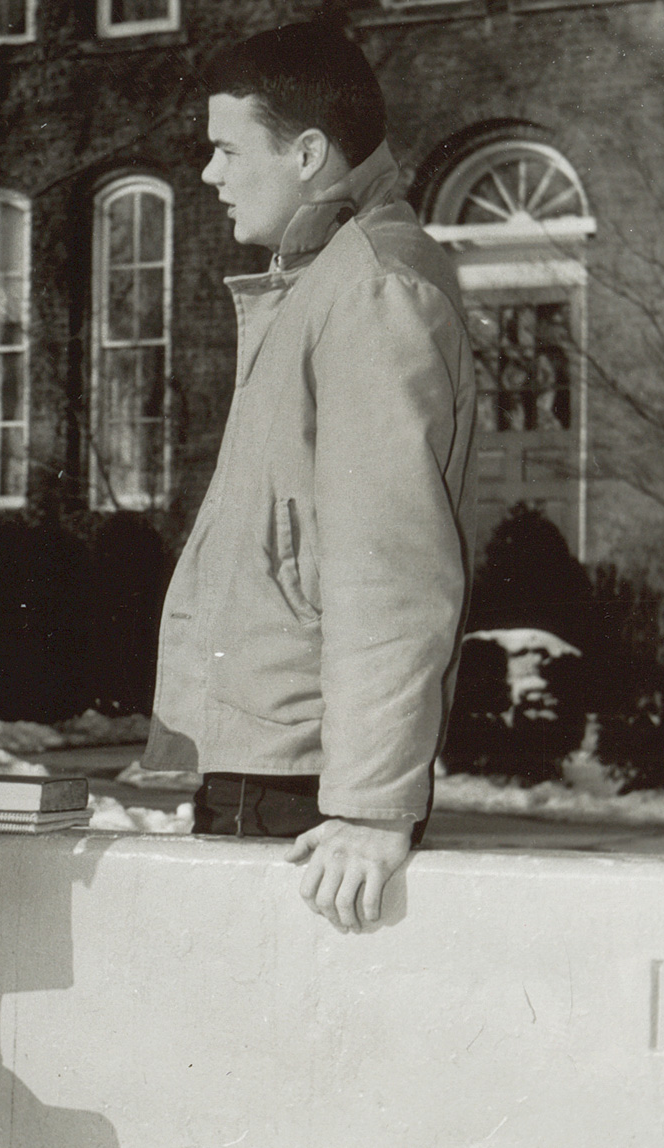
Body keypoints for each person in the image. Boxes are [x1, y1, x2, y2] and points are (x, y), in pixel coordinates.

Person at [140, 22, 478, 935]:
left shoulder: (370, 289)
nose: (209, 175)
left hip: (303, 783)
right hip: (276, 758)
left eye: (225, 149)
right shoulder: (321, 280)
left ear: (308, 153)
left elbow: (393, 564)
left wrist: (370, 806)